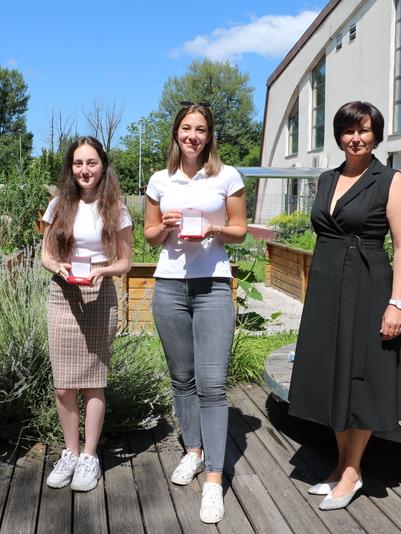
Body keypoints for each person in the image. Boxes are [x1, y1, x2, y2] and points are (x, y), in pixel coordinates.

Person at [288, 101, 401, 510]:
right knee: (333, 373)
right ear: (339, 136)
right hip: (327, 289)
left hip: (367, 286)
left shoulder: (390, 180)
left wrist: (396, 303)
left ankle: (352, 471)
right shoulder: (327, 178)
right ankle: (340, 463)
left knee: (360, 376)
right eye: (348, 131)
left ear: (376, 135)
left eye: (364, 130)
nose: (356, 138)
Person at [143, 102, 247, 524]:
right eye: (186, 128)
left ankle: (214, 481)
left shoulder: (227, 176)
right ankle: (193, 450)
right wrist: (165, 226)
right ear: (176, 133)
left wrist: (214, 228)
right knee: (181, 378)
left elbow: (240, 231)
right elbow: (150, 235)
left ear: (209, 135)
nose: (193, 136)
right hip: (169, 286)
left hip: (213, 286)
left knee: (213, 384)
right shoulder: (159, 179)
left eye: (200, 129)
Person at [40, 136, 133, 492]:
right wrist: (58, 267)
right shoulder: (58, 205)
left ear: (103, 166)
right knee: (63, 385)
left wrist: (102, 270)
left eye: (91, 163)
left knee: (94, 381)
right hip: (63, 293)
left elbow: (125, 261)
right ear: (70, 167)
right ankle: (70, 452)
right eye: (78, 163)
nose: (84, 170)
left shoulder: (117, 208)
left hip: (99, 293)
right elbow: (46, 254)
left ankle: (89, 457)